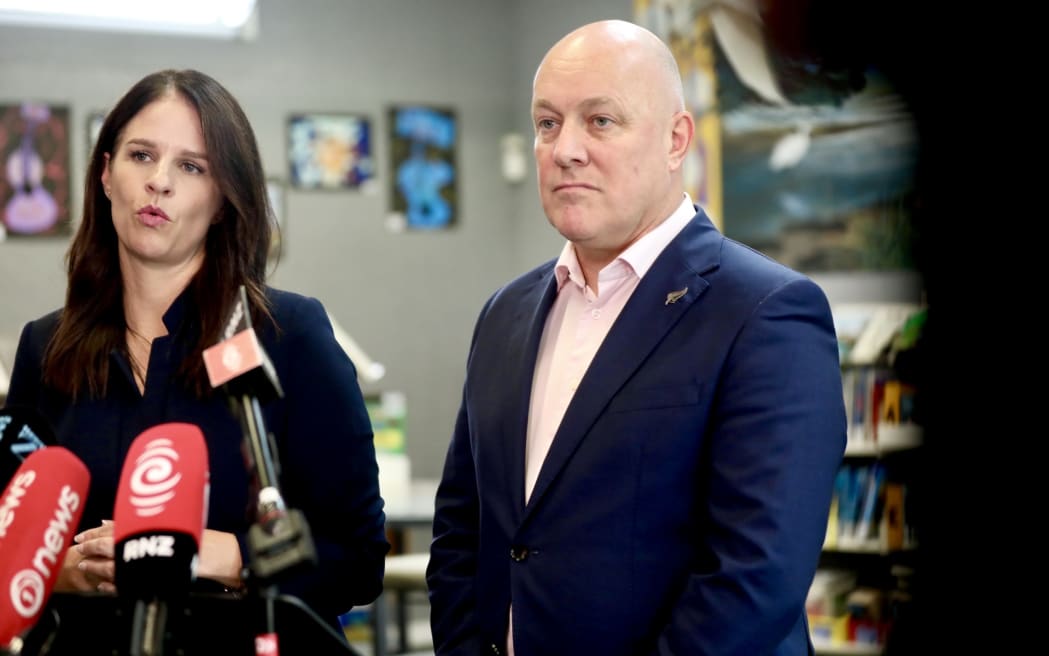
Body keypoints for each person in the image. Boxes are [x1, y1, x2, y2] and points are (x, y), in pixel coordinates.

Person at [427, 19, 846, 656]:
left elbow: (755, 576)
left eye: (600, 121)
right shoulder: (505, 313)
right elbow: (463, 527)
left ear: (676, 140)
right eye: (547, 123)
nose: (565, 149)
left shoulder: (766, 312)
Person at [5, 69, 389, 632]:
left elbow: (357, 560)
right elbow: (11, 545)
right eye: (141, 155)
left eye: (191, 167)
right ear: (106, 173)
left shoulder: (288, 335)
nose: (158, 182)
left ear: (223, 201)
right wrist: (67, 572)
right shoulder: (44, 347)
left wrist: (224, 556)